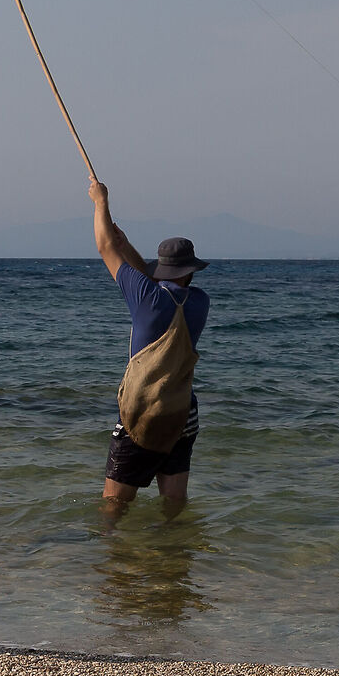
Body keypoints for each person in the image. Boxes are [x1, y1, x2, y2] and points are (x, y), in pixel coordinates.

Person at [90, 180, 210, 522]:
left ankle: (113, 566)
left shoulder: (147, 298)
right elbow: (155, 284)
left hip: (142, 415)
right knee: (174, 504)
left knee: (114, 506)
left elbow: (103, 246)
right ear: (190, 272)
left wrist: (101, 202)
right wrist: (126, 247)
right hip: (182, 414)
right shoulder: (200, 302)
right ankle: (172, 563)